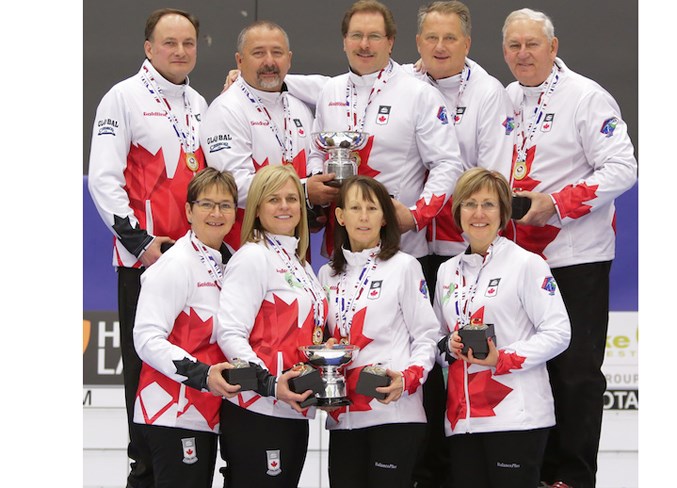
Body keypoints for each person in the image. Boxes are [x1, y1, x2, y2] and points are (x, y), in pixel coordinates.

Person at [501, 9, 638, 488]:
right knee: (530, 369)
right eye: (514, 45)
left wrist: (555, 203)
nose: (523, 53)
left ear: (553, 47)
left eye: (532, 44)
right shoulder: (504, 100)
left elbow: (622, 169)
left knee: (576, 373)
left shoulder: (587, 96)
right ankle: (533, 473)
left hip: (576, 257)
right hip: (518, 260)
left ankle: (574, 477)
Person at [87, 8, 207, 487]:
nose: (180, 51)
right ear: (148, 48)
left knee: (189, 365)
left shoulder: (199, 103)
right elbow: (104, 179)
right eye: (170, 42)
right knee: (143, 373)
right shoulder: (123, 97)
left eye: (188, 43)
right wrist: (141, 244)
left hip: (197, 266)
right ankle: (144, 472)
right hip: (148, 263)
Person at [407, 4, 515, 485]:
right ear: (417, 42)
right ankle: (422, 469)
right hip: (411, 247)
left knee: (459, 359)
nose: (439, 47)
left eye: (450, 38)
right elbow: (327, 88)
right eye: (431, 37)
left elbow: (491, 175)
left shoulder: (489, 92)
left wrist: (468, 229)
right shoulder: (401, 83)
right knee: (421, 359)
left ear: (467, 44)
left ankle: (457, 467)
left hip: (459, 252)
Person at [433, 167, 571, 488]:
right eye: (469, 203)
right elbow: (437, 342)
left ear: (503, 213)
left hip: (516, 417)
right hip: (462, 421)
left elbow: (558, 332)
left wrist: (503, 358)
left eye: (489, 204)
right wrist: (448, 346)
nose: (478, 213)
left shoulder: (527, 264)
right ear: (458, 211)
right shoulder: (446, 272)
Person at [307, 0, 464, 263]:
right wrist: (315, 182)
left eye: (374, 36)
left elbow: (447, 163)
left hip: (401, 250)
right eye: (356, 35)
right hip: (341, 251)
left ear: (390, 42)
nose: (364, 44)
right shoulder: (330, 90)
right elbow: (316, 152)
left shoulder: (419, 93)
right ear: (344, 41)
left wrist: (416, 216)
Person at [317, 175, 439, 488]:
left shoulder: (404, 266)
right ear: (340, 216)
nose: (363, 216)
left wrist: (409, 378)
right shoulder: (326, 275)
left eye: (372, 208)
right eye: (355, 207)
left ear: (384, 217)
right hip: (343, 418)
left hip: (393, 411)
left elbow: (427, 336)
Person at [215, 164, 326, 487]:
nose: (284, 206)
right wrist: (269, 383)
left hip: (293, 408)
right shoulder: (252, 257)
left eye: (292, 198)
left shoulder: (301, 264)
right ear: (257, 208)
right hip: (257, 409)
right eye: (273, 198)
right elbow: (230, 333)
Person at [132, 168, 241, 488]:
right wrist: (202, 374)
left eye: (225, 205)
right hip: (170, 412)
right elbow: (147, 338)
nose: (216, 213)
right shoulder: (176, 263)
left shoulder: (228, 262)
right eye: (207, 204)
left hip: (204, 413)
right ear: (189, 211)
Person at [200, 20, 338, 251]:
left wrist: (313, 208)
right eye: (258, 53)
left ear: (289, 58)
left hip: (295, 248)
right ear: (239, 60)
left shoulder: (299, 107)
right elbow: (233, 187)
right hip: (244, 248)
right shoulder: (226, 109)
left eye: (277, 53)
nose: (269, 62)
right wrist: (304, 191)